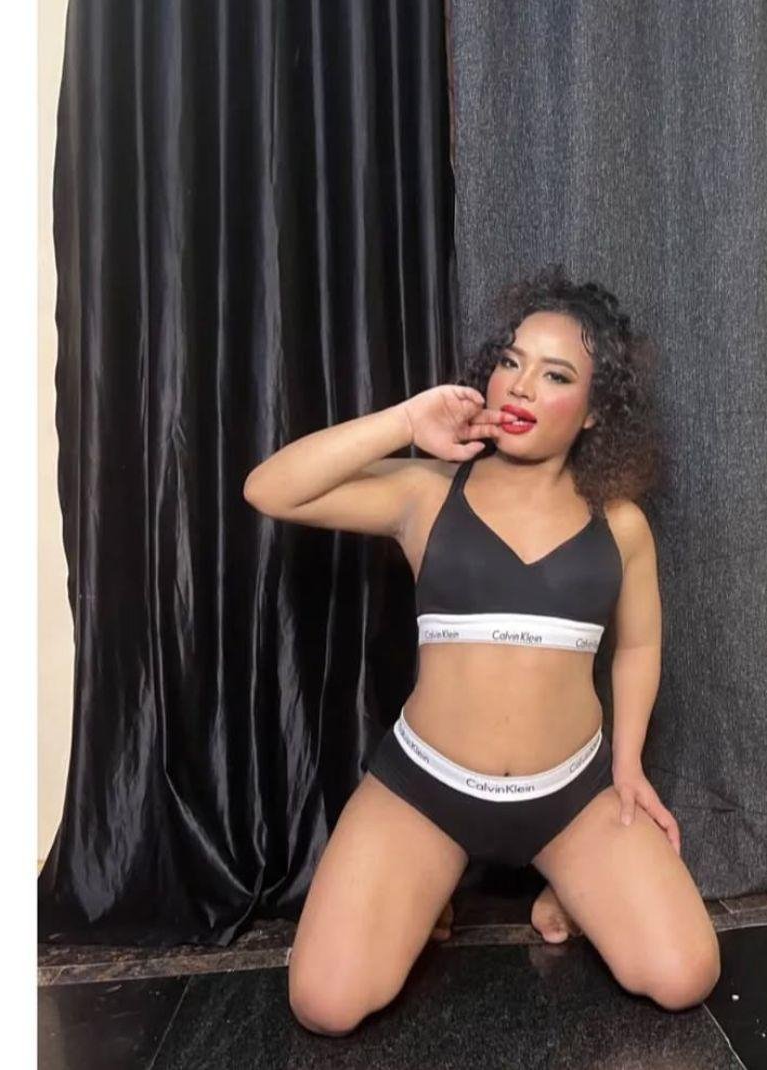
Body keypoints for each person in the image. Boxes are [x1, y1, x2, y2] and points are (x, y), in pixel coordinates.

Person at [243, 265, 721, 1036]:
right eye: (510, 361)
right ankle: (429, 885)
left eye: (555, 375)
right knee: (325, 1006)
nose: (521, 386)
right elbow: (270, 489)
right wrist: (407, 421)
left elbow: (638, 645)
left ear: (596, 411)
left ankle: (565, 887)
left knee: (684, 975)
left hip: (570, 797)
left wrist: (629, 766)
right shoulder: (428, 493)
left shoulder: (621, 524)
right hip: (424, 792)